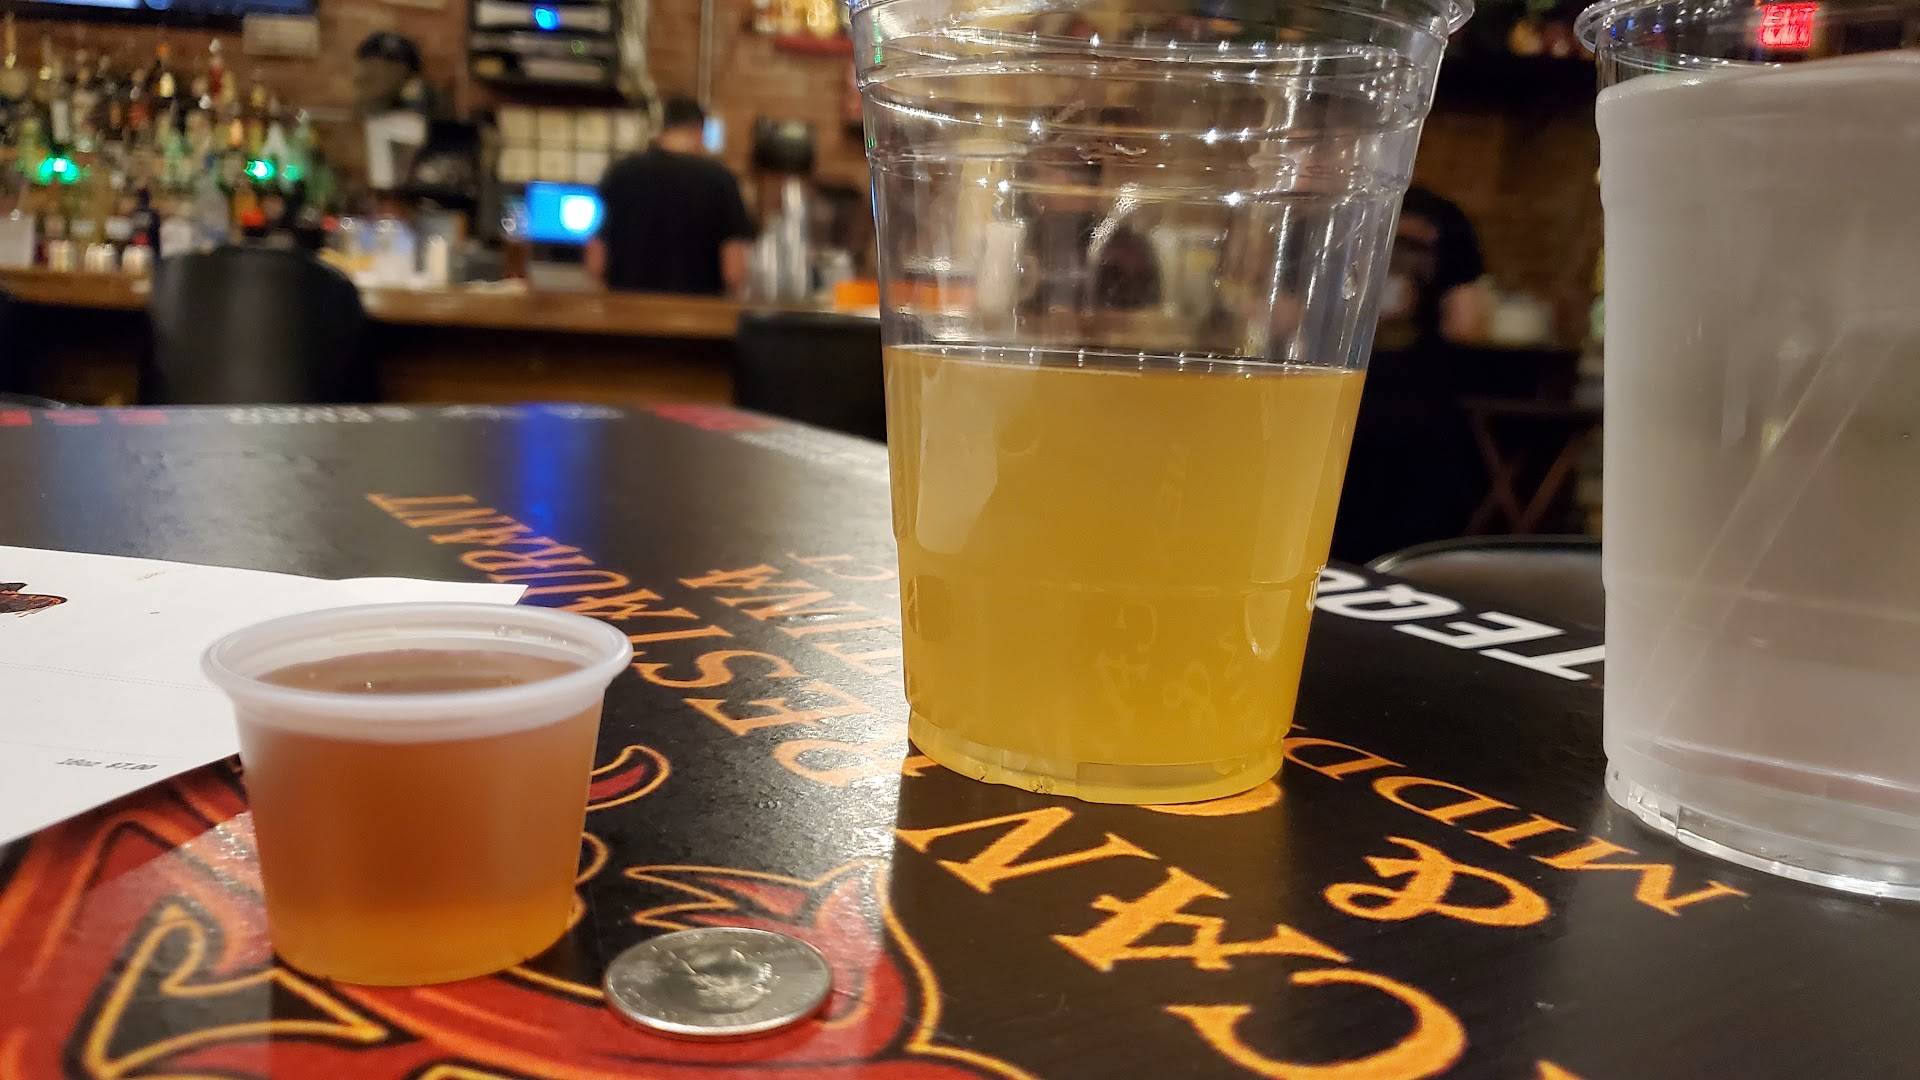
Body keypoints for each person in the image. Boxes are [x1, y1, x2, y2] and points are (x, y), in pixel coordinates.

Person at [1330, 186, 1495, 564]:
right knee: (1413, 530)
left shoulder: (1339, 209)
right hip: (1424, 397)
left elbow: (1284, 317)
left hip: (1344, 389)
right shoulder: (1442, 213)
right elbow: (1466, 323)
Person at [587, 96, 757, 296]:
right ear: (699, 132)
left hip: (628, 307)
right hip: (697, 309)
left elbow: (595, 260)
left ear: (663, 129)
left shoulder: (620, 173)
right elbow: (734, 271)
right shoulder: (721, 180)